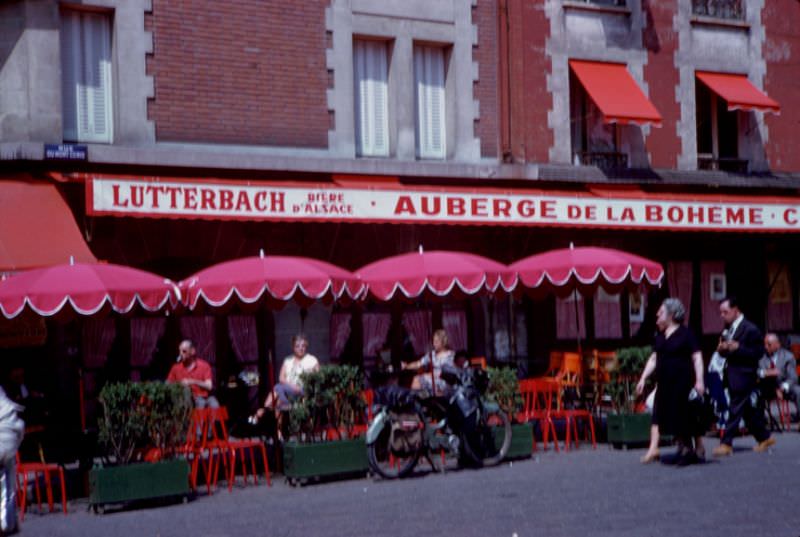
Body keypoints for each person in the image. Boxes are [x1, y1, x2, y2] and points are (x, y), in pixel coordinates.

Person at [636, 298, 705, 465]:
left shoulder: (685, 334)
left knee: (683, 416)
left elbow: (697, 357)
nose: (657, 315)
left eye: (661, 313)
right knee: (668, 417)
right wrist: (643, 378)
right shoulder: (660, 337)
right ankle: (682, 449)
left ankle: (689, 450)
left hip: (682, 382)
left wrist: (700, 380)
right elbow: (653, 359)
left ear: (672, 315)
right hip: (664, 384)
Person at [713, 296, 775, 457]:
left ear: (736, 310)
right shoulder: (730, 328)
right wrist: (723, 349)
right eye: (721, 312)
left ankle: (726, 443)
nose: (722, 315)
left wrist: (739, 348)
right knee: (746, 409)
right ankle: (764, 437)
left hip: (744, 374)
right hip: (732, 373)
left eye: (725, 312)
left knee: (735, 408)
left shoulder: (750, 329)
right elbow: (728, 349)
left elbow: (758, 353)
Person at [253, 334, 319, 420]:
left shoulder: (312, 360)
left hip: (303, 390)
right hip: (289, 390)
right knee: (278, 395)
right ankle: (279, 432)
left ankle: (260, 412)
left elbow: (318, 377)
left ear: (306, 346)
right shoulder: (288, 360)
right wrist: (292, 386)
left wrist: (307, 385)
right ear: (293, 347)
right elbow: (281, 378)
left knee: (277, 388)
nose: (300, 348)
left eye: (303, 346)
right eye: (297, 346)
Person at [167, 339, 219, 409]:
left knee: (213, 404)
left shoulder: (204, 365)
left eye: (184, 351)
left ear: (192, 351)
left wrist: (192, 381)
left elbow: (209, 386)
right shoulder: (175, 368)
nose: (181, 354)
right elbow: (167, 384)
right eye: (180, 351)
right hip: (183, 399)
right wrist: (179, 384)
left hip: (202, 397)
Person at [758, 333, 800, 419]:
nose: (766, 347)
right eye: (765, 344)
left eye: (769, 345)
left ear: (777, 344)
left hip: (783, 386)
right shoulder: (761, 356)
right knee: (753, 393)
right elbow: (755, 371)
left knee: (798, 391)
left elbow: (793, 377)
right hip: (767, 387)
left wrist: (782, 388)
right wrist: (765, 372)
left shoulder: (788, 356)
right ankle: (759, 421)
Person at [0, 386, 24, 535]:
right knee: (8, 489)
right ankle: (9, 522)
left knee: (4, 488)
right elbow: (18, 425)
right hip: (10, 439)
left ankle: (5, 524)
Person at [402, 329, 455, 396]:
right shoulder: (432, 354)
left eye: (436, 341)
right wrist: (406, 366)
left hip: (444, 381)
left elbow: (450, 372)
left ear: (443, 342)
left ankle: (417, 398)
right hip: (432, 380)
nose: (434, 344)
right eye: (433, 341)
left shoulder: (450, 355)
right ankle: (419, 399)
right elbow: (419, 363)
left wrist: (429, 375)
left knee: (418, 379)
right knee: (418, 380)